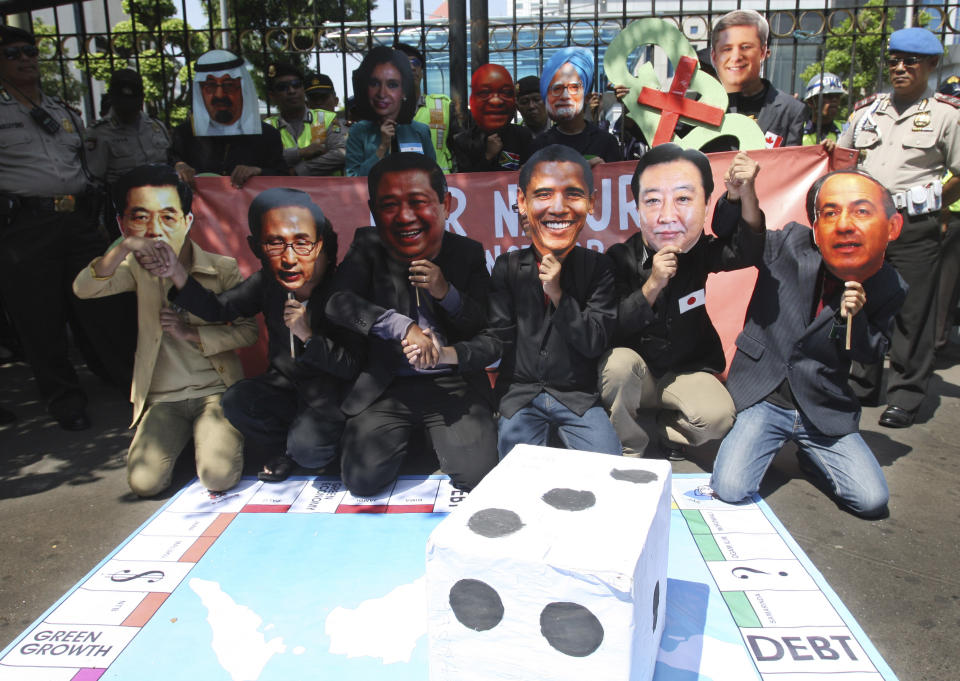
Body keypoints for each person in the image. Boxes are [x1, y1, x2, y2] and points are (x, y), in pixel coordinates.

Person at [708, 170, 908, 518]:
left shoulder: (888, 284)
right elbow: (748, 235)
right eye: (830, 213)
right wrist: (743, 194)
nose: (844, 225)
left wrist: (855, 318)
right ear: (816, 227)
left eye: (861, 212)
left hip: (821, 406)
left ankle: (814, 458)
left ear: (891, 226)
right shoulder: (791, 244)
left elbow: (872, 353)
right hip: (764, 397)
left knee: (871, 501)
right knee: (731, 488)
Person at [420, 145, 621, 459]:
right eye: (543, 195)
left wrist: (558, 294)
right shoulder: (508, 266)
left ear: (591, 203)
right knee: (513, 480)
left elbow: (594, 341)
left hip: (578, 399)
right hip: (521, 397)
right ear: (522, 203)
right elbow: (496, 340)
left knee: (609, 471)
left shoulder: (599, 267)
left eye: (573, 194)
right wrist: (444, 354)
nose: (558, 207)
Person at [73, 165, 256, 497]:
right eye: (139, 218)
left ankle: (209, 439)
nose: (154, 230)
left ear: (187, 221)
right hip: (163, 398)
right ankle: (183, 440)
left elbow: (248, 332)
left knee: (218, 478)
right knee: (145, 483)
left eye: (168, 217)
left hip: (215, 391)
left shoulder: (221, 268)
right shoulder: (135, 269)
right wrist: (125, 246)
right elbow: (85, 289)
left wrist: (193, 334)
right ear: (123, 223)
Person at [158, 188, 361, 483]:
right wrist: (177, 272)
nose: (291, 259)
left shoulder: (343, 290)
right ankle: (285, 451)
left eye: (303, 245)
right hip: (285, 384)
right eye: (276, 245)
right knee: (238, 400)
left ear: (326, 251)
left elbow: (351, 365)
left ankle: (321, 446)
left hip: (330, 391)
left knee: (311, 452)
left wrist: (308, 335)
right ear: (260, 250)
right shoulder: (269, 283)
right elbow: (219, 308)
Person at [325, 152, 498, 495]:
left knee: (477, 477)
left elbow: (485, 327)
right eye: (390, 205)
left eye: (418, 202)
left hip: (452, 384)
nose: (405, 217)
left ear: (445, 204)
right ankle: (412, 439)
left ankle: (439, 439)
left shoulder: (466, 252)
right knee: (362, 481)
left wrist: (445, 292)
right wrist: (401, 326)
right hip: (388, 387)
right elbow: (337, 302)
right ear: (374, 211)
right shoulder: (367, 248)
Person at [0, 24, 134, 431]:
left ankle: (125, 379)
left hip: (76, 220)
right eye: (14, 53)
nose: (25, 58)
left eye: (30, 51)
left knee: (102, 301)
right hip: (26, 225)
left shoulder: (63, 111)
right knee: (40, 316)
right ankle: (64, 398)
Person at [599, 146, 765, 459]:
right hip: (639, 374)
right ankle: (630, 443)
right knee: (615, 365)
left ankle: (665, 428)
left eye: (683, 199)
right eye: (653, 200)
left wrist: (743, 194)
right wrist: (652, 285)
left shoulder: (698, 250)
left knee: (717, 419)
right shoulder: (619, 258)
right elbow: (612, 326)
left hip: (686, 371)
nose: (667, 215)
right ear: (637, 208)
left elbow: (747, 251)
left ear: (703, 205)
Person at [840, 27, 960, 428]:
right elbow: (842, 158)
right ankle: (862, 380)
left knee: (912, 309)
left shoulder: (946, 114)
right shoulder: (867, 110)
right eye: (894, 60)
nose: (900, 68)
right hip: (863, 223)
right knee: (862, 301)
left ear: (931, 65)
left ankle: (907, 393)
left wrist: (936, 205)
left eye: (911, 61)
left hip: (913, 224)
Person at [172, 49, 286, 187]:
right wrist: (178, 168)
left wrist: (259, 172)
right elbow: (165, 171)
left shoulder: (267, 135)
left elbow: (284, 177)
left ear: (243, 89)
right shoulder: (184, 135)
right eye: (210, 86)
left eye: (229, 85)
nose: (219, 95)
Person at [710, 9, 807, 148]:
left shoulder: (791, 109)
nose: (736, 57)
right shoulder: (706, 106)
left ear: (763, 52)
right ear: (714, 56)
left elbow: (793, 164)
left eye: (745, 47)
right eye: (727, 49)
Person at [346, 47, 435, 177]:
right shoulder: (358, 132)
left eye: (392, 85)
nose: (382, 93)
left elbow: (433, 178)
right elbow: (352, 181)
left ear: (404, 91)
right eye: (375, 83)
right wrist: (382, 148)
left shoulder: (420, 131)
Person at [529, 47, 622, 165]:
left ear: (587, 97)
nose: (564, 95)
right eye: (556, 89)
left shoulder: (606, 142)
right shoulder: (538, 145)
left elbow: (615, 180)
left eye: (573, 88)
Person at [87, 69, 172, 185]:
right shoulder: (99, 133)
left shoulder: (156, 127)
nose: (128, 109)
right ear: (112, 98)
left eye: (132, 102)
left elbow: (170, 164)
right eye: (123, 102)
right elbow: (94, 180)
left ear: (142, 98)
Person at [264, 62, 347, 176]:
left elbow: (341, 153)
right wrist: (301, 153)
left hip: (325, 192)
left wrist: (297, 172)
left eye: (296, 85)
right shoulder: (267, 127)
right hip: (282, 192)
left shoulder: (327, 118)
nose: (292, 91)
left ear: (303, 89)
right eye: (283, 87)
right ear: (272, 95)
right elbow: (263, 160)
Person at [451, 64, 533, 172]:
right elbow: (464, 184)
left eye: (505, 92)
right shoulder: (463, 142)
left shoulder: (522, 136)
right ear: (472, 101)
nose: (496, 101)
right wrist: (488, 156)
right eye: (485, 93)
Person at [395, 42, 457, 173]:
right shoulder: (386, 109)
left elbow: (459, 147)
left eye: (416, 63)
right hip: (400, 183)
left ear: (422, 72)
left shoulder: (443, 105)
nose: (412, 67)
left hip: (439, 182)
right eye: (406, 63)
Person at [801, 72, 847, 146]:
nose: (834, 100)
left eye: (837, 96)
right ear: (810, 102)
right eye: (828, 96)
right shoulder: (798, 130)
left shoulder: (846, 130)